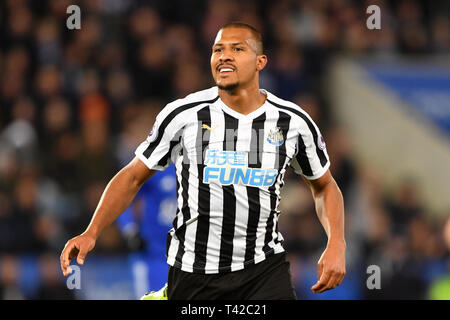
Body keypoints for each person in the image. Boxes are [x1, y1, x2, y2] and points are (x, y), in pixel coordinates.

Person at [60, 22, 346, 300]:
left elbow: (324, 186)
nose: (224, 56)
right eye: (217, 49)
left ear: (260, 61)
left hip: (264, 268)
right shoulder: (183, 115)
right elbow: (134, 176)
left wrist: (336, 242)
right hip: (195, 272)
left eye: (237, 49)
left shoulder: (293, 122)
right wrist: (91, 232)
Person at [116, 165, 177, 298]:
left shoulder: (202, 168)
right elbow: (122, 195)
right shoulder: (157, 164)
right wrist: (130, 230)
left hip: (187, 256)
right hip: (153, 255)